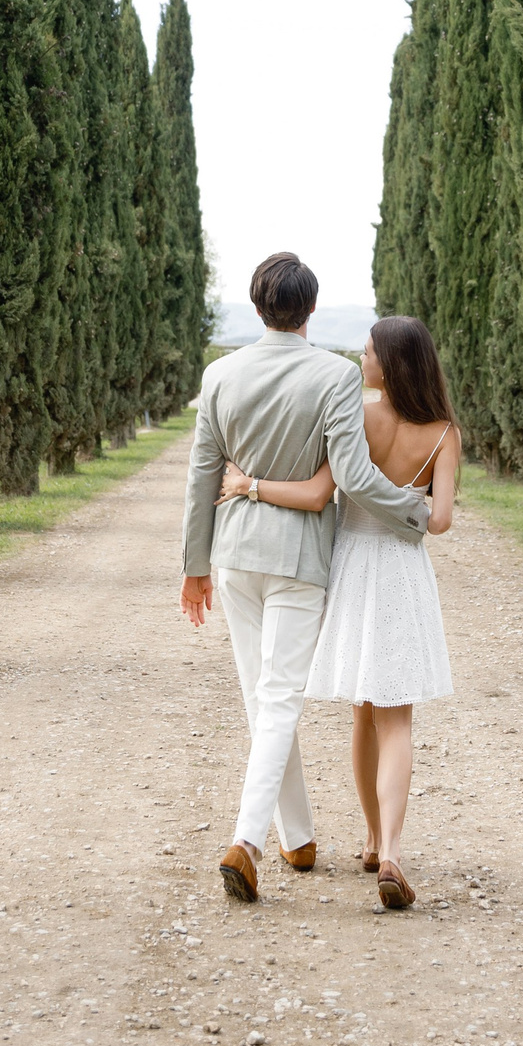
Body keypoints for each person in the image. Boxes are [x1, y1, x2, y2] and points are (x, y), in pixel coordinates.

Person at [179, 254, 434, 906]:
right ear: (311, 309)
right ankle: (249, 840)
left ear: (257, 305)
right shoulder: (334, 375)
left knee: (263, 698)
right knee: (278, 698)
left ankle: (297, 834)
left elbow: (201, 477)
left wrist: (194, 567)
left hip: (234, 558)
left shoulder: (219, 374)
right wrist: (414, 508)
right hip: (298, 565)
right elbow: (351, 474)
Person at [220, 315, 457, 911]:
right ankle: (395, 851)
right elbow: (442, 519)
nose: (362, 355)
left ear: (390, 363)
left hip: (352, 569)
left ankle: (373, 841)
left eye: (371, 349)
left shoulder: (360, 415)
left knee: (363, 713)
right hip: (403, 571)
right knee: (398, 716)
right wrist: (407, 509)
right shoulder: (444, 434)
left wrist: (249, 485)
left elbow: (319, 492)